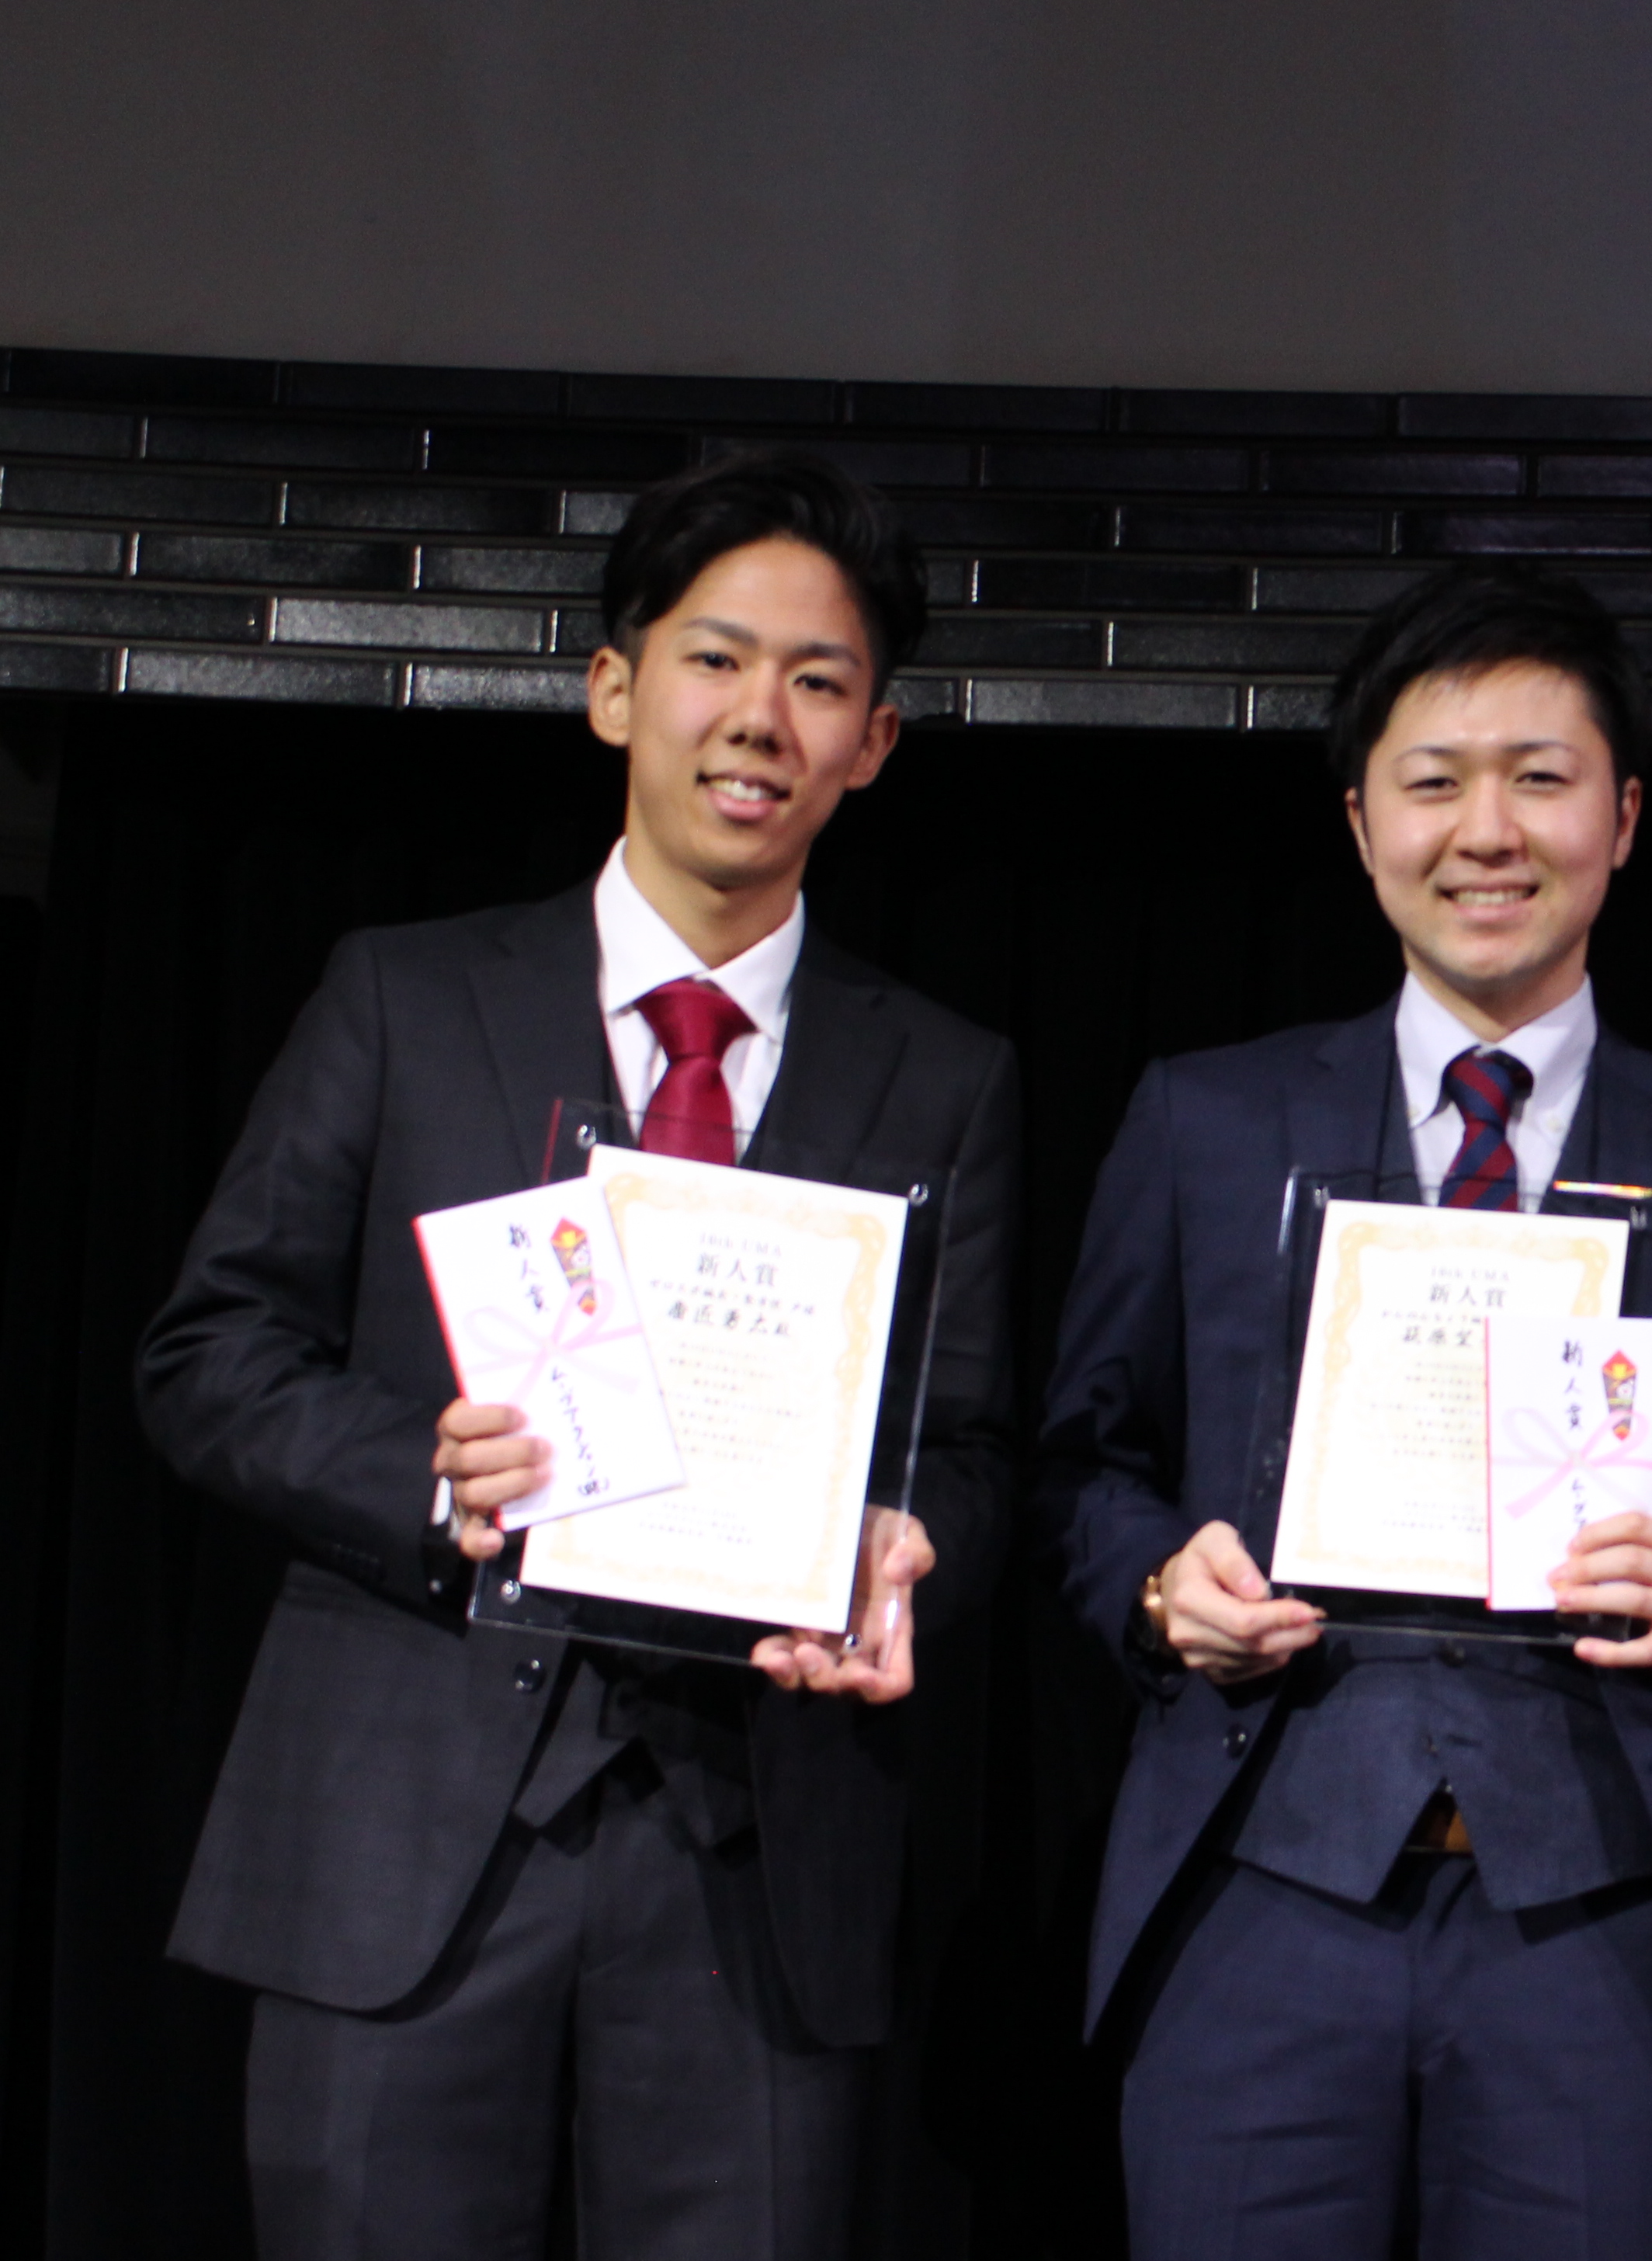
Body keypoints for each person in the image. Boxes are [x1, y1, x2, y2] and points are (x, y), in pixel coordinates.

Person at [137, 449, 1019, 2259]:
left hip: (758, 1860)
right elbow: (210, 1351)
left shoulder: (944, 1075)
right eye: (715, 659)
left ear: (873, 742)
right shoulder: (405, 995)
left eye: (819, 680)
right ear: (615, 687)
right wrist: (423, 1475)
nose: (759, 717)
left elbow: (979, 1446)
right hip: (402, 1831)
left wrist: (911, 1545)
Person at [1035, 562, 1652, 2260]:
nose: (1486, 830)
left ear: (1622, 819)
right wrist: (1159, 1587)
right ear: (1364, 827)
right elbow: (1083, 1466)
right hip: (1255, 1892)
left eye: (1540, 777)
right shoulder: (1206, 1123)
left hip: (1607, 1920)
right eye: (1434, 781)